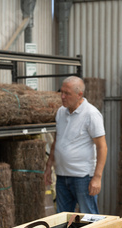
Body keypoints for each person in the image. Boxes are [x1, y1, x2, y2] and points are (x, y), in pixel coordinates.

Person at [44, 76, 107, 214]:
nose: (62, 96)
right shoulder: (61, 112)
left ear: (79, 95)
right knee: (62, 219)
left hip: (83, 177)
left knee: (89, 218)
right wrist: (49, 167)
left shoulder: (91, 114)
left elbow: (102, 147)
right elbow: (56, 141)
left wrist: (97, 177)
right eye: (62, 92)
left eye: (67, 93)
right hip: (61, 176)